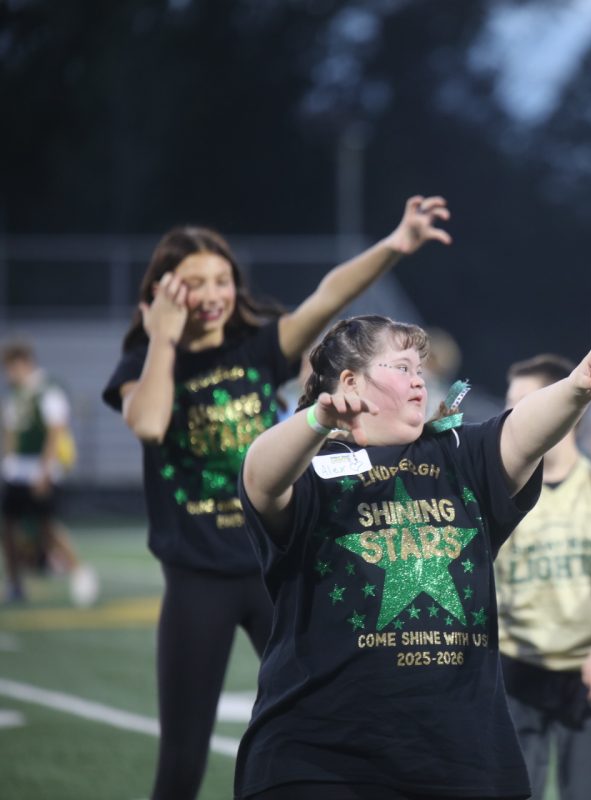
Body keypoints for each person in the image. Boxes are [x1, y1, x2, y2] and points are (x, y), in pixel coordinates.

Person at [101, 196, 452, 800]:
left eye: (222, 279)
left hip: (279, 567)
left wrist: (398, 242)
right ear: (163, 291)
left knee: (340, 715)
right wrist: (162, 338)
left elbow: (328, 296)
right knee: (183, 756)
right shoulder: (147, 361)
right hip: (198, 577)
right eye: (194, 284)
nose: (213, 293)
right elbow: (151, 423)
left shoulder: (260, 347)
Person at [235, 317, 591, 799]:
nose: (420, 378)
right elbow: (259, 476)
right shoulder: (310, 466)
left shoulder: (459, 453)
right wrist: (317, 422)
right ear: (351, 382)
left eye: (420, 367)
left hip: (458, 761)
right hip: (320, 759)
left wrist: (576, 389)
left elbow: (522, 430)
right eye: (402, 366)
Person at [495, 354, 591, 800]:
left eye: (527, 401)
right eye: (510, 403)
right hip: (513, 668)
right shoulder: (496, 491)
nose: (513, 415)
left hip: (587, 670)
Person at [1, 341, 98, 606]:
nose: (9, 374)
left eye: (10, 366)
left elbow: (56, 431)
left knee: (46, 526)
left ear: (23, 361)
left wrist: (45, 470)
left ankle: (79, 571)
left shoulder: (47, 389)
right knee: (8, 526)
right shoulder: (16, 393)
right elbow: (10, 431)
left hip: (39, 469)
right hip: (17, 470)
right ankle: (15, 584)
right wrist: (7, 461)